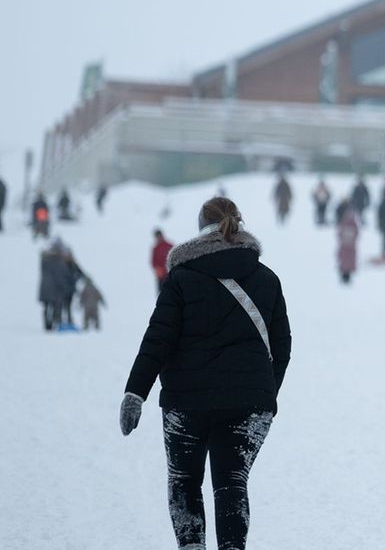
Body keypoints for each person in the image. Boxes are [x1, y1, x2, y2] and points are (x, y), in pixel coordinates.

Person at [120, 197, 291, 550]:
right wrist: (261, 392)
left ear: (201, 230)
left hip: (187, 402)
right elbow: (282, 347)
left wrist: (135, 392)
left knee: (184, 481)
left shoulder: (181, 279)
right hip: (249, 403)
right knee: (232, 481)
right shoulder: (267, 278)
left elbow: (158, 340)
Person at [38, 239, 70, 331]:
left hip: (45, 288)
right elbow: (61, 276)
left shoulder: (45, 260)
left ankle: (47, 324)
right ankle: (54, 323)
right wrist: (64, 287)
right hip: (55, 289)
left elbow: (42, 256)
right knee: (55, 306)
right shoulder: (59, 261)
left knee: (46, 307)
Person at [336, 200, 359, 284]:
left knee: (348, 261)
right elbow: (340, 233)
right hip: (346, 245)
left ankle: (347, 276)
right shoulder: (345, 223)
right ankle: (344, 276)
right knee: (345, 260)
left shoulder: (352, 223)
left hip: (349, 245)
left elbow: (356, 233)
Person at [151, 229, 174, 295]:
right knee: (161, 294)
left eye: (159, 236)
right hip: (160, 277)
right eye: (157, 237)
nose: (158, 238)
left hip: (170, 275)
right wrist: (158, 269)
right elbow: (153, 262)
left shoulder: (169, 245)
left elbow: (174, 258)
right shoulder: (155, 248)